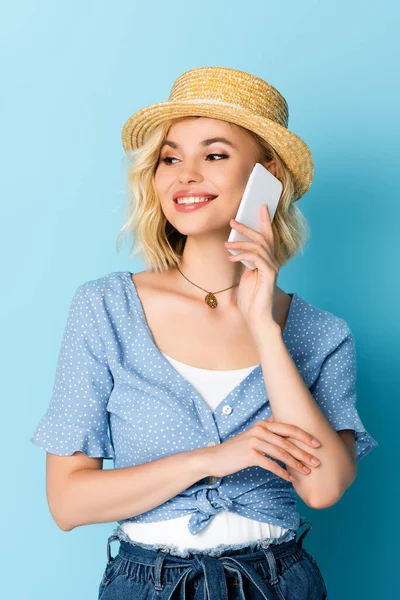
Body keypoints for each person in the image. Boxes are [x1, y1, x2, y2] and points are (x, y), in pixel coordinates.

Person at [30, 66, 378, 600]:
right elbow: (68, 503)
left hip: (278, 582)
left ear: (269, 176)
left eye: (214, 155)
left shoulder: (321, 333)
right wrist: (210, 459)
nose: (184, 175)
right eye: (170, 158)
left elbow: (323, 486)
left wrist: (263, 325)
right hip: (147, 584)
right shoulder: (105, 307)